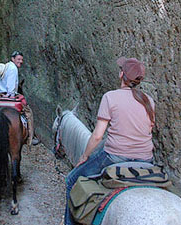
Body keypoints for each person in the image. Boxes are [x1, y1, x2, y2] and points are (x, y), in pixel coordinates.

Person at [63, 57, 155, 225]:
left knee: (71, 180)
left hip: (115, 157)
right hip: (146, 160)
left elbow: (98, 136)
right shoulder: (149, 101)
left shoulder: (110, 97)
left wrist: (84, 156)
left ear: (121, 75)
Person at [0, 51, 38, 146]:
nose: (21, 61)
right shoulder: (13, 68)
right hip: (9, 96)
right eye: (18, 59)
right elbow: (11, 87)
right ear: (13, 59)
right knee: (28, 112)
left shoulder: (4, 67)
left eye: (22, 59)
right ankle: (30, 138)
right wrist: (11, 95)